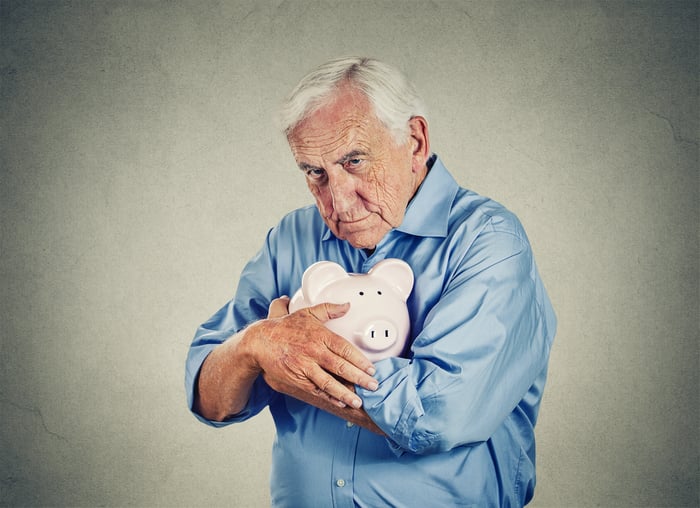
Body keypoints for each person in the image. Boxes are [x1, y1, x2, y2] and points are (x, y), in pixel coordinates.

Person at [185, 56, 557, 507]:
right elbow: (210, 394)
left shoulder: (489, 240)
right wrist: (252, 346)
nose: (338, 199)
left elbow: (438, 412)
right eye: (313, 172)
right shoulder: (291, 237)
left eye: (354, 161)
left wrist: (291, 361)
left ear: (415, 142)